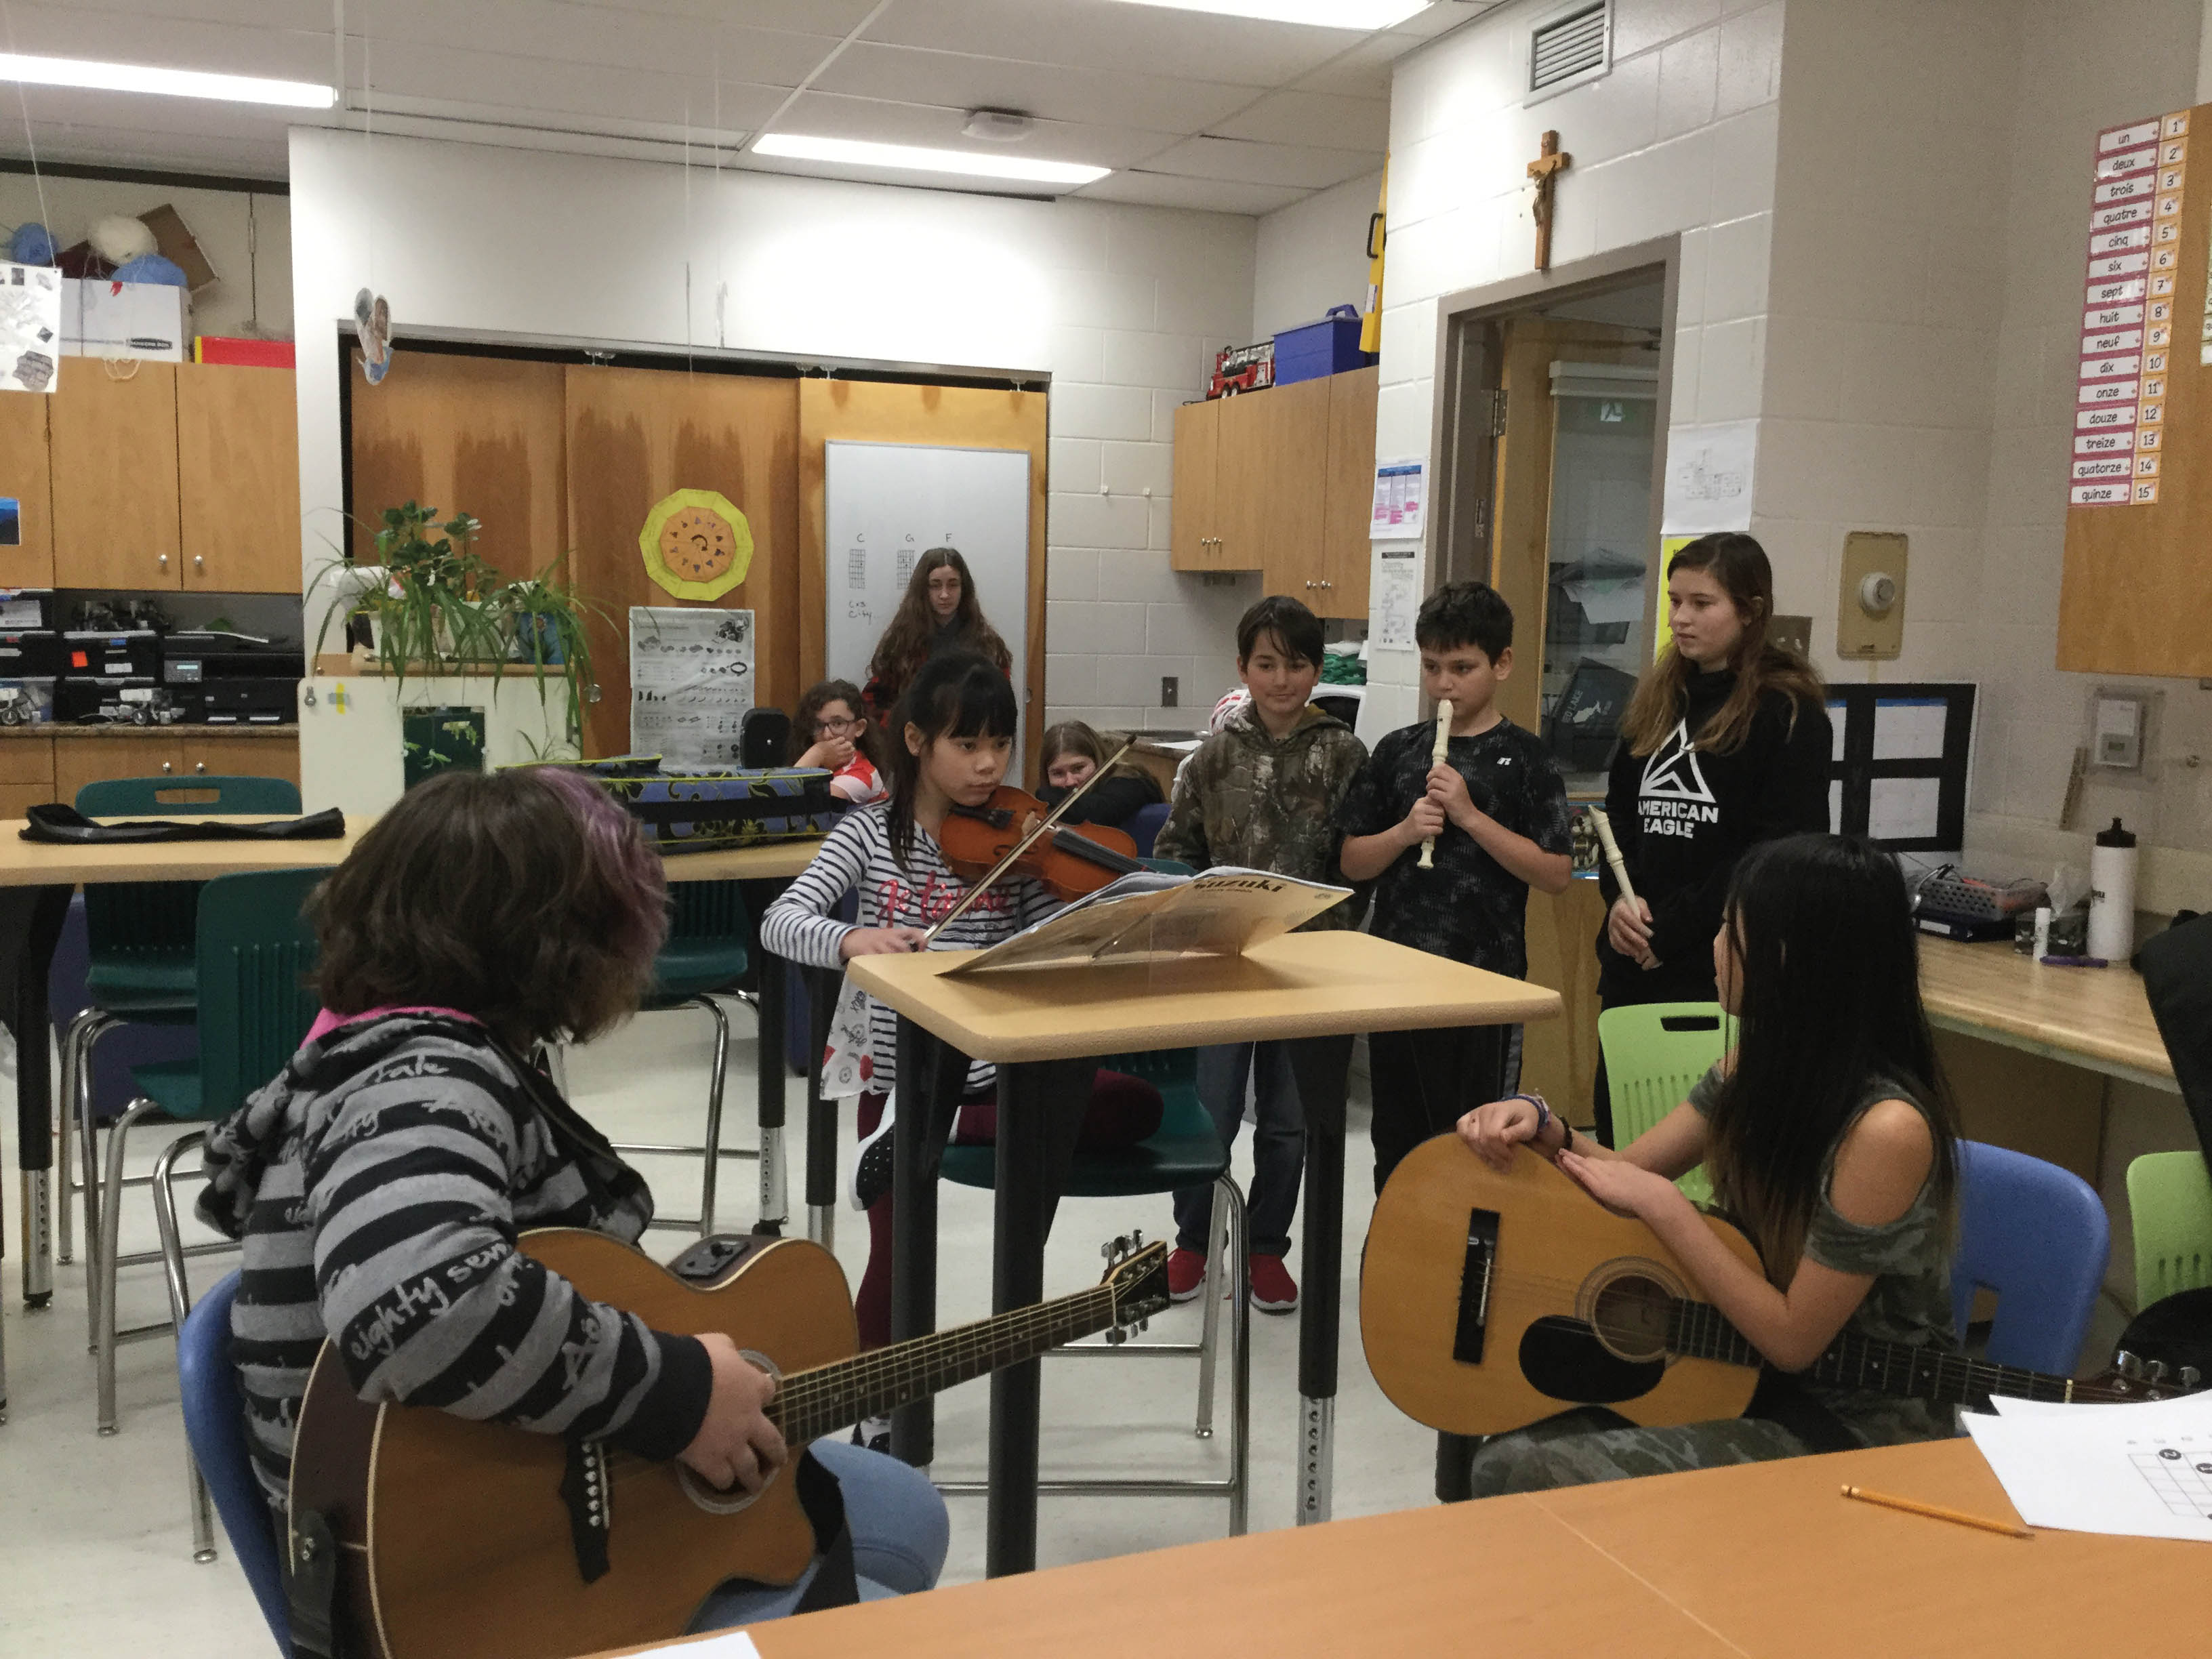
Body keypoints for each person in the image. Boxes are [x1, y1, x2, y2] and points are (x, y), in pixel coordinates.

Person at [195, 769, 946, 1623]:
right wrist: (679, 1393)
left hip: (520, 1478)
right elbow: (414, 1303)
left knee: (903, 1515)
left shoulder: (412, 1054)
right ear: (562, 939)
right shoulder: (420, 1078)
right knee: (897, 1622)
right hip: (467, 1577)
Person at [1455, 832, 1961, 1493]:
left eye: (1731, 929)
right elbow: (1625, 1174)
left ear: (1791, 957)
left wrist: (1665, 1206)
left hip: (1856, 1428)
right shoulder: (1752, 1069)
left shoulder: (1886, 1130)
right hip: (1744, 1373)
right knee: (1508, 1431)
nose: (1715, 948)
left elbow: (1792, 1339)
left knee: (1517, 1470)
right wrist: (1546, 1129)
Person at [762, 651, 1161, 1446]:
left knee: (1137, 1106)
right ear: (914, 740)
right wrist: (853, 937)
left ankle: (942, 1132)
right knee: (895, 1244)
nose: (988, 766)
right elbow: (782, 919)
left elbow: (1048, 934)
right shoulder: (869, 835)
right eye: (966, 744)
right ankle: (880, 1404)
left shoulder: (1019, 839)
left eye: (1001, 745)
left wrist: (1083, 903)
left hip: (994, 1069)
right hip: (901, 1068)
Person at [1155, 595, 1367, 1314]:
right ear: (1243, 667)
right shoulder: (1214, 755)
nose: (1282, 680)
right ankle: (1191, 1240)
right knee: (1208, 1112)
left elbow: (1356, 863)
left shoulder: (1343, 752)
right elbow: (1176, 855)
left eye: (1298, 665)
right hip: (1222, 963)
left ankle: (1266, 1247)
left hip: (1311, 968)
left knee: (1288, 1120)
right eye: (1267, 664)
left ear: (1316, 671)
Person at [1593, 532, 1829, 1145]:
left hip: (1720, 969)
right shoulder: (1658, 696)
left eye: (1702, 603)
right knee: (1625, 1149)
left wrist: (1672, 928)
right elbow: (1619, 816)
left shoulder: (1788, 711)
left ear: (1750, 611)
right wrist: (1621, 904)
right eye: (1675, 601)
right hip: (1634, 960)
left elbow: (1774, 855)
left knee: (1708, 1165)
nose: (1680, 619)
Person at [1336, 581, 1574, 1190]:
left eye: (1463, 669)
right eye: (1433, 667)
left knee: (1478, 1142)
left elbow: (1554, 872)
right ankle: (1395, 1260)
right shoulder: (1397, 752)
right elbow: (1351, 862)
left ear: (1502, 664)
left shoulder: (1528, 759)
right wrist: (1404, 832)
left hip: (1485, 981)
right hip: (1399, 978)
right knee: (1398, 1141)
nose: (1444, 685)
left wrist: (1470, 817)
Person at [861, 547, 1012, 726]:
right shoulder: (900, 643)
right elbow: (874, 702)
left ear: (964, 588)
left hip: (968, 741)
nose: (944, 594)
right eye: (935, 585)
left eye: (953, 584)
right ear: (923, 590)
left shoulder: (987, 645)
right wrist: (901, 731)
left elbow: (1003, 705)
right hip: (913, 743)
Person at [1036, 719, 1163, 830]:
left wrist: (1044, 794)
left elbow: (1095, 814)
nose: (1070, 782)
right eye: (1058, 774)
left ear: (1098, 760)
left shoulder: (1132, 782)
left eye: (1078, 769)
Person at [795, 678, 888, 804]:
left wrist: (818, 753)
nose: (827, 735)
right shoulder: (819, 766)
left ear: (859, 728)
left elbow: (793, 803)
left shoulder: (862, 775)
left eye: (838, 723)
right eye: (818, 725)